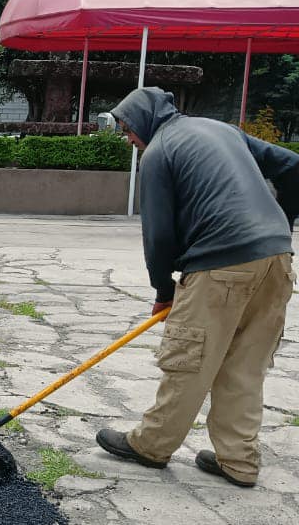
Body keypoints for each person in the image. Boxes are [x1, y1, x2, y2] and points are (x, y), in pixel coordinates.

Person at [95, 87, 296, 488]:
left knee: (190, 358)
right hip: (277, 260)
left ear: (140, 122)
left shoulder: (159, 152)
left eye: (127, 130)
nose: (128, 140)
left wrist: (162, 292)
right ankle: (238, 461)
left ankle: (151, 446)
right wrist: (281, 225)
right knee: (245, 363)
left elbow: (159, 236)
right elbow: (293, 165)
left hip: (219, 265)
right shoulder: (223, 130)